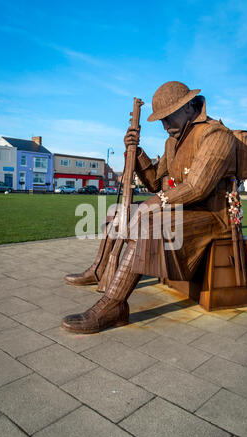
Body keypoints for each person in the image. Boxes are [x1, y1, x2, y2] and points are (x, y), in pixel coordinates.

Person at [61, 81, 237, 334]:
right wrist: (136, 151)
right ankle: (99, 270)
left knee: (147, 224)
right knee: (117, 213)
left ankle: (114, 305)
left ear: (189, 107)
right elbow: (155, 181)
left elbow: (198, 187)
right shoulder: (173, 142)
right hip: (182, 210)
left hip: (213, 216)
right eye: (161, 120)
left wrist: (159, 202)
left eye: (169, 117)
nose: (164, 125)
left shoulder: (216, 135)